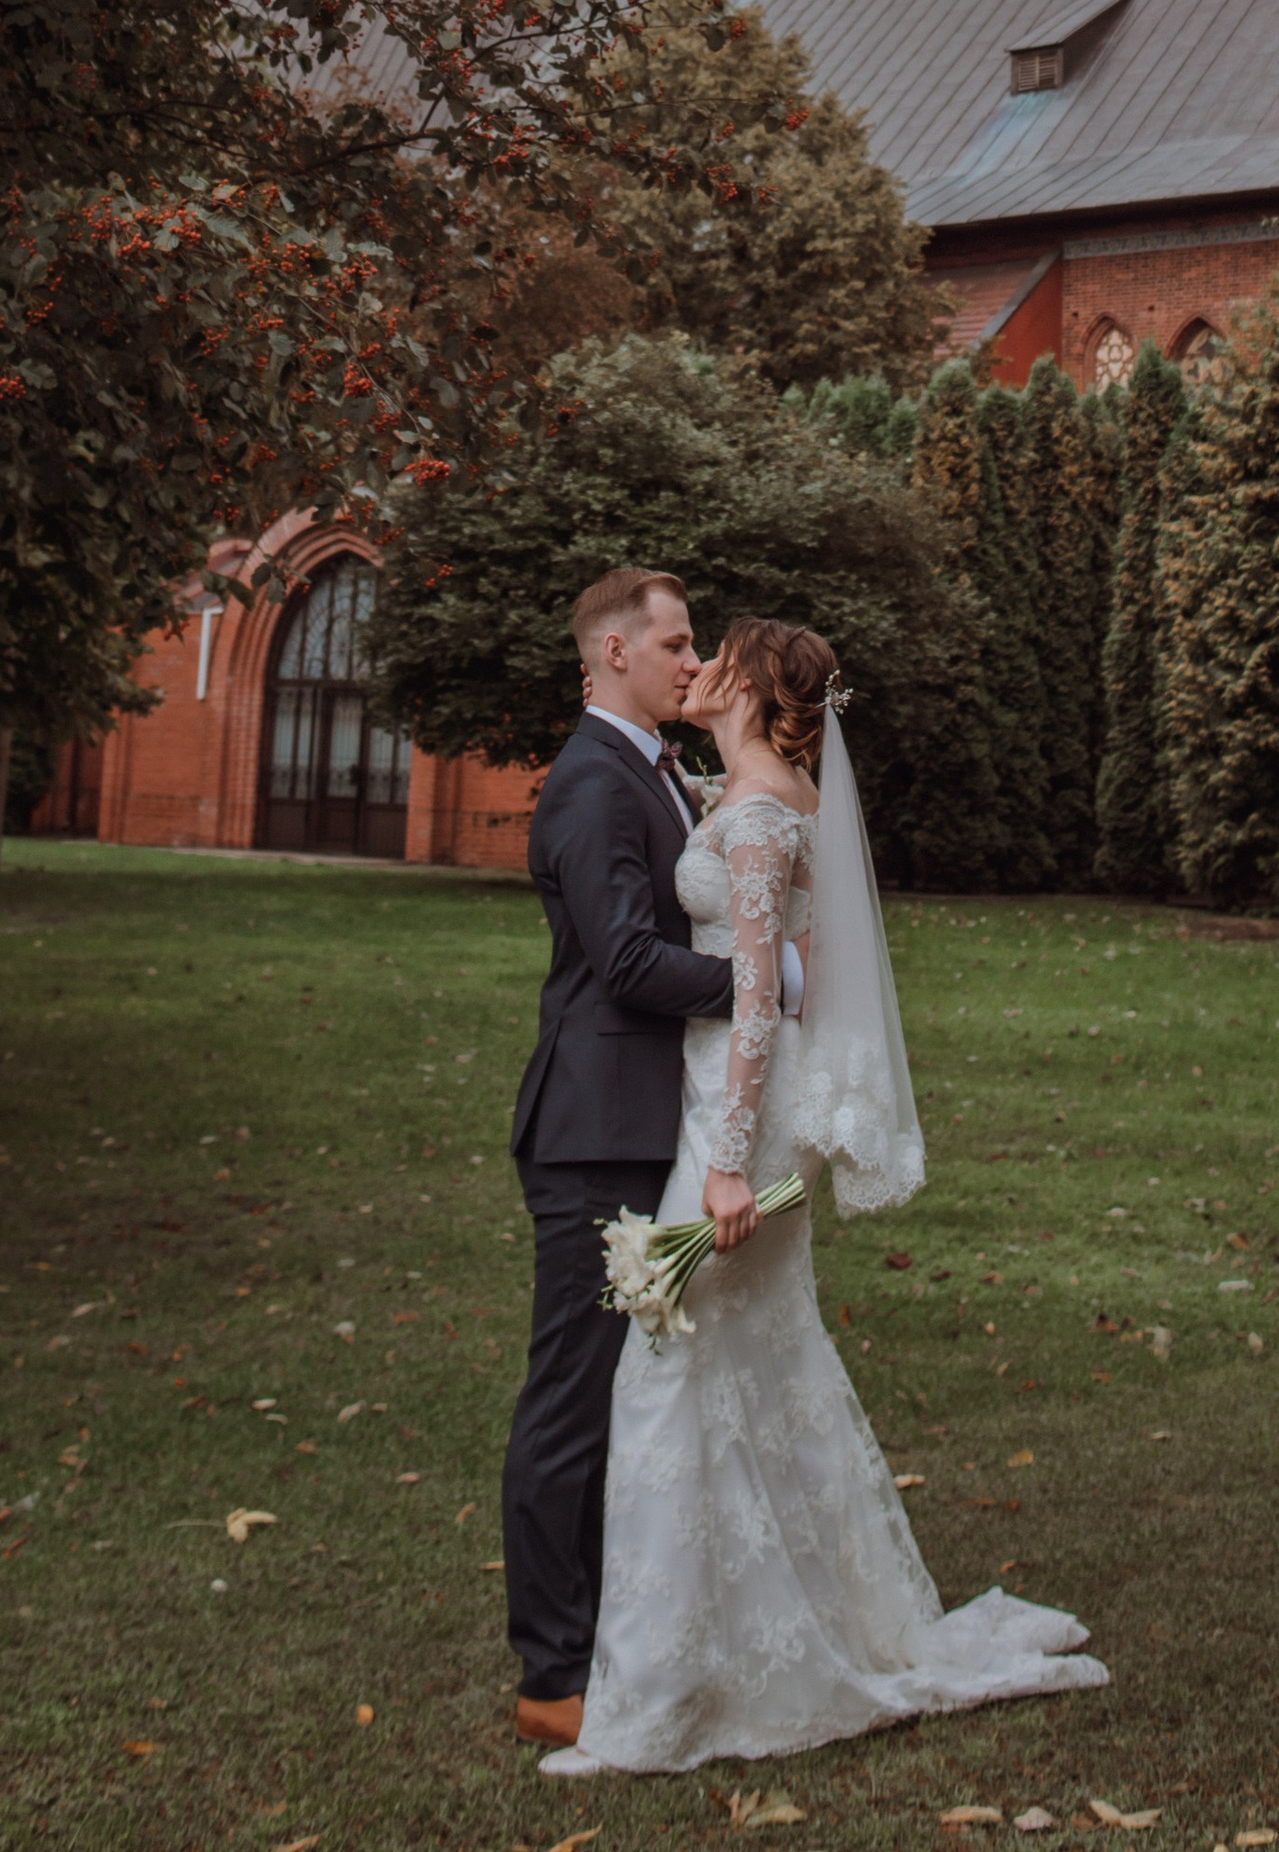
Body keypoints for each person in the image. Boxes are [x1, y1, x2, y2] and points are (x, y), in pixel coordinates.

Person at [538, 612, 1107, 1778]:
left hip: (736, 1110)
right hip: (738, 1098)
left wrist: (727, 1162)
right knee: (756, 1365)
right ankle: (775, 1627)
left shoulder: (755, 809)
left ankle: (666, 1690)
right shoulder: (761, 791)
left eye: (715, 652)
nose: (697, 664)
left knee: (668, 1374)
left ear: (750, 686)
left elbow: (756, 998)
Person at [500, 565, 806, 1750]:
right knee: (572, 1400)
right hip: (594, 1131)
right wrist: (769, 982)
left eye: (693, 643)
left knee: (632, 1393)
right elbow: (625, 961)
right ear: (614, 652)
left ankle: (621, 1631)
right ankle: (551, 1673)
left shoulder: (656, 768)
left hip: (647, 1119)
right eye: (675, 643)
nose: (694, 660)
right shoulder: (590, 780)